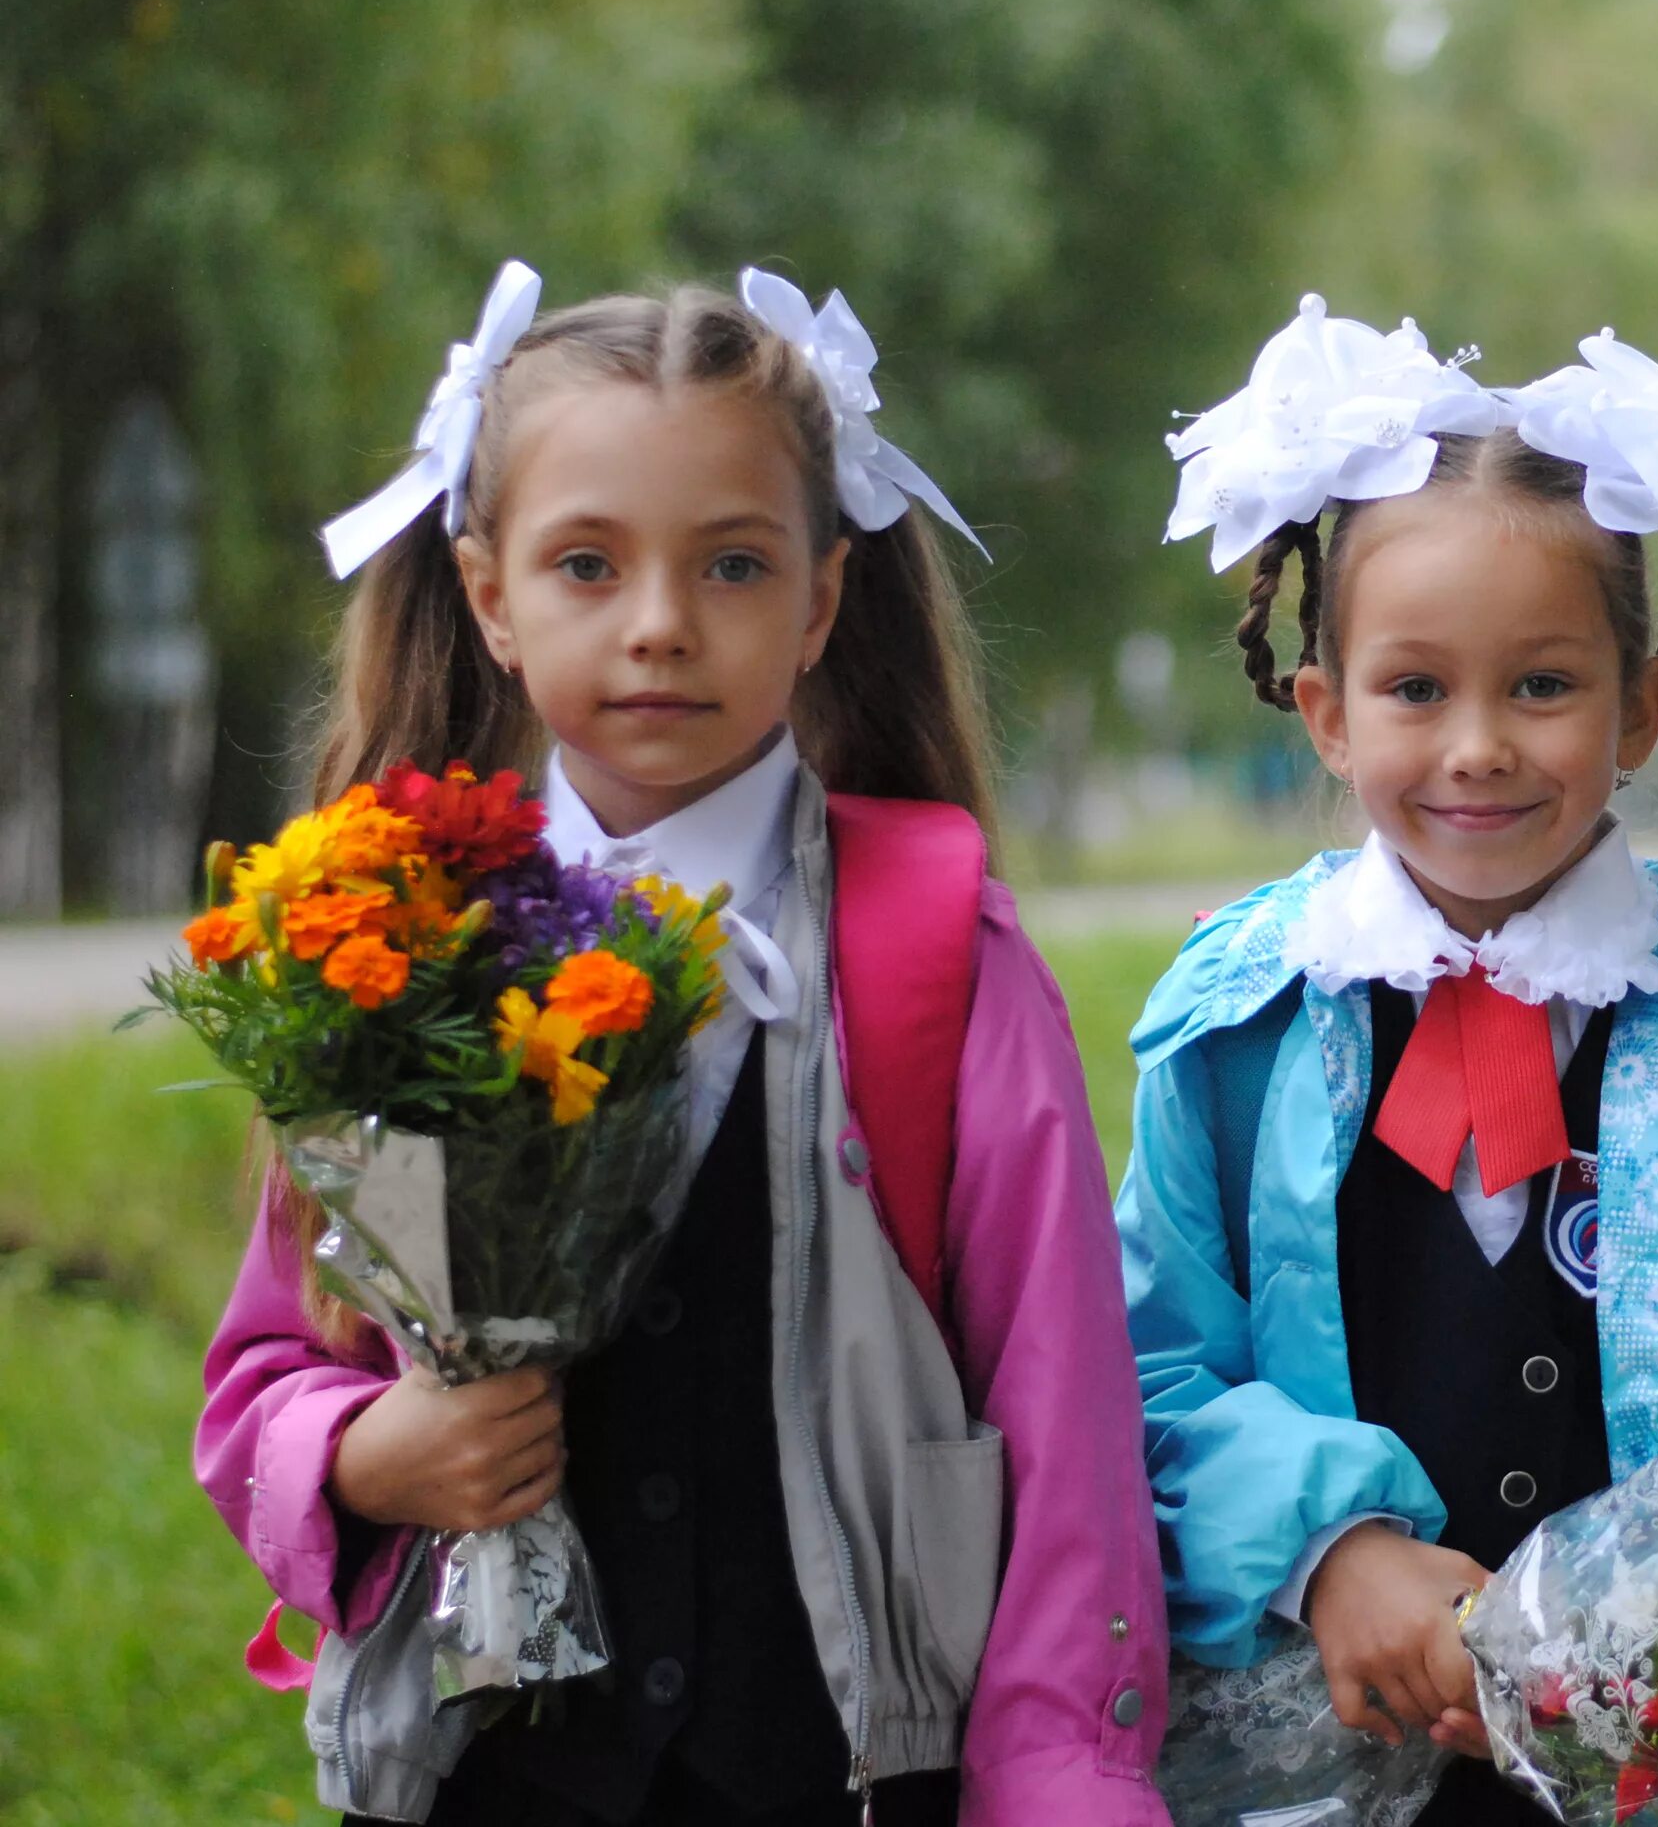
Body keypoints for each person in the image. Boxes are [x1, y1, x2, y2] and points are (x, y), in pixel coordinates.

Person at [194, 264, 1170, 1825]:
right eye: (587, 564)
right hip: (499, 1773)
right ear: (492, 597)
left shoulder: (935, 948)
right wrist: (377, 1452)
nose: (659, 626)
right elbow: (267, 1375)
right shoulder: (394, 951)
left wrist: (1064, 1784)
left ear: (820, 602)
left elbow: (1066, 1422)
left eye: (730, 565)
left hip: (847, 1773)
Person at [1119, 301, 1658, 1824]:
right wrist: (1328, 1551)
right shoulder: (1229, 1039)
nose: (1478, 745)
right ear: (1327, 714)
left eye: (1540, 687)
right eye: (1417, 689)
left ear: (1640, 707)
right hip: (1318, 1764)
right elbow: (1143, 1366)